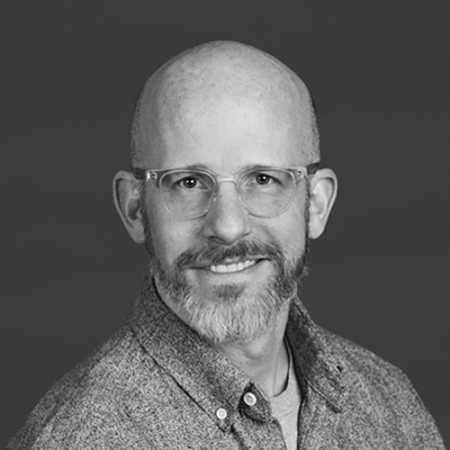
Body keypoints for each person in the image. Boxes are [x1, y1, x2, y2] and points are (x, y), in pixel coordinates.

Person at [7, 41, 445, 450]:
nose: (229, 227)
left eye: (263, 179)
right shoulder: (82, 437)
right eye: (188, 182)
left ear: (315, 204)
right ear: (135, 208)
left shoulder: (390, 403)